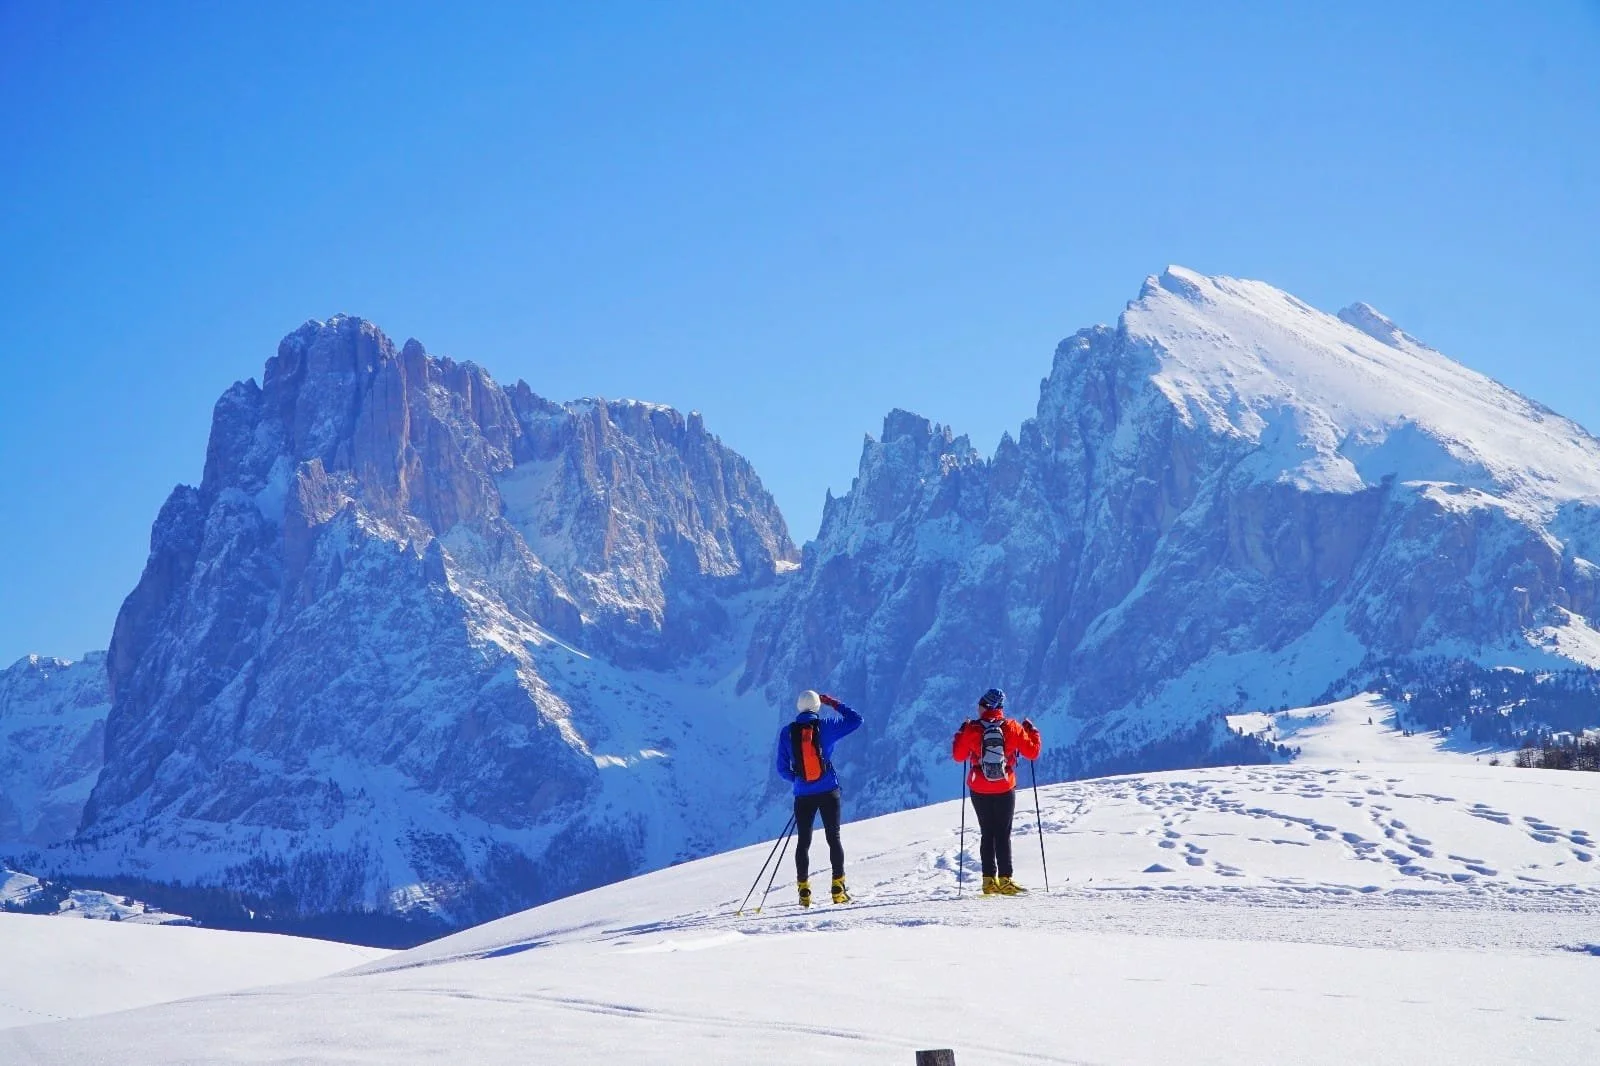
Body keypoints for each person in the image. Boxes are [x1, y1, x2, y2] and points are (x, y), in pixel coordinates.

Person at [775, 689, 862, 907]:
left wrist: (798, 779)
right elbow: (856, 720)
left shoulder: (787, 733)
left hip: (803, 795)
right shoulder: (827, 727)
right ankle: (838, 889)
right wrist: (833, 702)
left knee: (803, 842)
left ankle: (804, 892)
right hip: (828, 791)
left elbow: (781, 769)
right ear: (816, 707)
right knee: (834, 839)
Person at [951, 687, 1041, 895]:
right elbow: (1032, 753)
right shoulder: (1012, 727)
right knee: (1003, 833)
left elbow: (958, 756)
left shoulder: (972, 729)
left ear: (986, 707)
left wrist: (960, 732)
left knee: (987, 832)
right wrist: (1033, 732)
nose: (978, 709)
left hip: (979, 787)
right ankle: (1006, 880)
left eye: (980, 706)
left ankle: (988, 880)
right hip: (1004, 786)